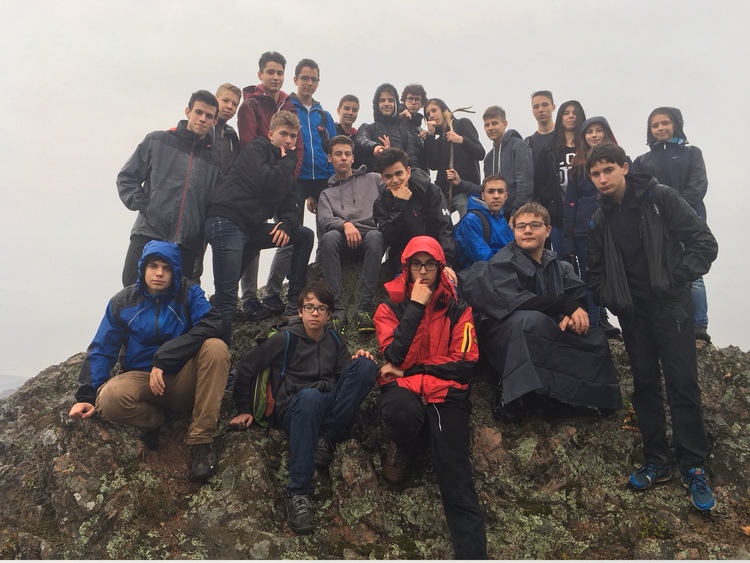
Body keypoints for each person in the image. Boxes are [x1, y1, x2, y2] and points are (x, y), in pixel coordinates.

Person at [586, 141, 718, 512]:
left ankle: (693, 464)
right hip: (633, 313)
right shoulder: (599, 218)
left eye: (608, 170)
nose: (602, 179)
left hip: (672, 307)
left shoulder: (661, 197)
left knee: (682, 382)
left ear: (624, 167)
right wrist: (612, 299)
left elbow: (704, 243)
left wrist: (677, 278)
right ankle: (656, 459)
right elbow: (594, 270)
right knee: (644, 385)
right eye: (595, 174)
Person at [69, 240, 230, 481]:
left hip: (182, 379)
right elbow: (103, 348)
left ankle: (200, 440)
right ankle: (153, 422)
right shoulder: (123, 302)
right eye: (153, 266)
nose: (159, 273)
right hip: (143, 383)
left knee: (216, 348)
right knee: (109, 399)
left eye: (166, 268)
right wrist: (86, 396)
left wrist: (164, 357)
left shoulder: (189, 293)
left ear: (175, 272)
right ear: (143, 268)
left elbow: (213, 324)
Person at [230, 281, 378, 535]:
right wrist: (243, 408)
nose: (315, 313)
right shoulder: (285, 339)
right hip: (294, 406)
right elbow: (245, 367)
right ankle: (299, 492)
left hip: (326, 405)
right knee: (310, 397)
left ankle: (326, 438)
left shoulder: (335, 340)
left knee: (367, 366)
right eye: (309, 307)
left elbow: (344, 381)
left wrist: (358, 363)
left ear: (329, 314)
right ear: (299, 311)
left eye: (321, 308)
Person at [374, 235, 487, 559]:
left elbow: (465, 363)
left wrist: (414, 369)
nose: (423, 271)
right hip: (405, 391)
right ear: (406, 267)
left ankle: (472, 555)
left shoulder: (458, 309)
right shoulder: (390, 307)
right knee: (400, 414)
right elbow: (394, 355)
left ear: (440, 268)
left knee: (455, 471)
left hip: (446, 393)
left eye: (430, 265)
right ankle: (405, 443)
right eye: (416, 264)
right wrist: (416, 306)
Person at [458, 201, 621, 420]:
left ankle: (593, 396)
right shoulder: (502, 262)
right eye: (521, 226)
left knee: (594, 336)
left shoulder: (560, 265)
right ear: (514, 231)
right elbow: (513, 302)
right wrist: (562, 305)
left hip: (548, 329)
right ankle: (510, 389)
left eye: (535, 225)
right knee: (529, 322)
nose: (527, 230)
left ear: (548, 230)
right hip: (505, 335)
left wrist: (573, 315)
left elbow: (576, 297)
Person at [205, 110, 314, 345]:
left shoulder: (285, 170)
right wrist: (290, 160)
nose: (289, 140)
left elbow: (291, 207)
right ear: (271, 134)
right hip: (227, 221)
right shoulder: (257, 148)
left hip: (250, 229)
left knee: (304, 235)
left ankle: (294, 305)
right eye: (284, 134)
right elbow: (267, 182)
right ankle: (219, 356)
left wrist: (285, 224)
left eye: (293, 136)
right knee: (226, 298)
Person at [118, 90, 222, 287]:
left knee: (178, 298)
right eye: (198, 112)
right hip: (148, 233)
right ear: (188, 112)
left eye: (209, 116)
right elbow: (127, 177)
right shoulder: (157, 141)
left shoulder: (215, 162)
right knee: (132, 289)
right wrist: (146, 205)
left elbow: (215, 204)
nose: (203, 119)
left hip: (187, 244)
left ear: (214, 121)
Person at [263, 59, 338, 316]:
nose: (309, 83)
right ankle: (273, 291)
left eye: (314, 79)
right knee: (289, 232)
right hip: (295, 177)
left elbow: (332, 147)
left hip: (322, 179)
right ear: (295, 80)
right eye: (305, 78)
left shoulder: (323, 115)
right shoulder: (287, 107)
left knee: (325, 232)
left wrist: (331, 178)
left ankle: (319, 283)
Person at [632, 107, 711, 343]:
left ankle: (699, 325)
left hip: (689, 224)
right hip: (657, 227)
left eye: (665, 123)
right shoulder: (642, 161)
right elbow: (640, 192)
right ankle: (670, 324)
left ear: (675, 124)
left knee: (694, 275)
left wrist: (676, 210)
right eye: (655, 125)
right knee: (661, 273)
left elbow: (698, 185)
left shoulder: (692, 153)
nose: (660, 128)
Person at [235, 51, 304, 320]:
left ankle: (273, 292)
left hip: (284, 179)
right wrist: (267, 174)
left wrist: (289, 176)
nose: (275, 77)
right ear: (260, 74)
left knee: (289, 230)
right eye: (270, 72)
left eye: (279, 72)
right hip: (259, 183)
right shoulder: (250, 105)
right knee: (254, 236)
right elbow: (249, 143)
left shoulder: (290, 106)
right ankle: (249, 297)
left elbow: (298, 147)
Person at [317, 135, 386, 333]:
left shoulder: (373, 179)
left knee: (376, 236)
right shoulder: (326, 194)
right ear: (330, 158)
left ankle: (364, 309)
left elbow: (392, 190)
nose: (343, 158)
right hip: (343, 243)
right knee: (329, 238)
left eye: (347, 154)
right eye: (338, 154)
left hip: (370, 242)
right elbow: (325, 220)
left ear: (353, 158)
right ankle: (337, 310)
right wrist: (345, 224)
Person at [563, 116, 623, 337]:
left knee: (618, 274)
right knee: (590, 279)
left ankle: (622, 322)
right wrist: (568, 240)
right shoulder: (577, 169)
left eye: (599, 130)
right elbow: (570, 205)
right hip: (584, 230)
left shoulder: (621, 161)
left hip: (615, 228)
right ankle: (595, 326)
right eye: (589, 131)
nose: (594, 135)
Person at [371, 147, 457, 278]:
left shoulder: (431, 192)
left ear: (408, 171)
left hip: (435, 260)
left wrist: (445, 264)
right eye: (388, 176)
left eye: (399, 173)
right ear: (382, 178)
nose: (395, 180)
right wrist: (399, 204)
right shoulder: (381, 203)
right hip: (403, 265)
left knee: (449, 287)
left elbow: (444, 228)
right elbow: (389, 238)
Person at [192, 83, 242, 282]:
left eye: (234, 104)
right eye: (225, 101)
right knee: (193, 258)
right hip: (196, 202)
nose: (229, 106)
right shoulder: (202, 129)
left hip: (219, 205)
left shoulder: (231, 136)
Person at [533, 100, 586, 253]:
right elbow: (539, 180)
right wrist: (550, 202)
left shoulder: (588, 146)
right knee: (562, 261)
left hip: (584, 211)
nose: (571, 116)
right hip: (558, 214)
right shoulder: (549, 149)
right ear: (560, 117)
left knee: (588, 260)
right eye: (566, 113)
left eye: (575, 113)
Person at [423, 98, 486, 217]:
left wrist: (461, 140)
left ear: (443, 110)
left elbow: (480, 153)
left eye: (434, 110)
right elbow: (433, 165)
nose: (431, 115)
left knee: (468, 220)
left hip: (464, 190)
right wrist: (430, 136)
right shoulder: (439, 140)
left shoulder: (462, 124)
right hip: (444, 194)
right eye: (428, 114)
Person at [482, 105, 533, 222]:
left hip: (519, 215)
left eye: (494, 123)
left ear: (505, 124)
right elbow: (487, 188)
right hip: (497, 216)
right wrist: (460, 183)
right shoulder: (488, 158)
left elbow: (525, 184)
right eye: (487, 125)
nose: (490, 128)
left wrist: (516, 213)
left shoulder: (519, 146)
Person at [355, 83, 420, 172]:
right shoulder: (367, 128)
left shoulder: (404, 132)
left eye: (390, 100)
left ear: (396, 104)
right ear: (376, 104)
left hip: (398, 179)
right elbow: (361, 140)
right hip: (373, 179)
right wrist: (376, 147)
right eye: (382, 100)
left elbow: (412, 163)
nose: (386, 104)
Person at [454, 174, 514, 270]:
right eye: (491, 191)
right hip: (479, 275)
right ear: (483, 195)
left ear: (506, 196)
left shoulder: (501, 218)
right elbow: (483, 259)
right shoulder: (471, 220)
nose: (496, 196)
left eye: (500, 191)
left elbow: (514, 249)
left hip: (504, 272)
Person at [398, 84, 429, 172]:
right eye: (410, 98)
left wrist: (428, 138)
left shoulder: (419, 129)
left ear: (422, 104)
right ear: (404, 101)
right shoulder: (396, 120)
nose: (413, 102)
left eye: (417, 99)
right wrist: (398, 117)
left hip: (419, 173)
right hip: (401, 172)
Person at [524, 90, 556, 167]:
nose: (540, 110)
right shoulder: (528, 143)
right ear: (532, 111)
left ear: (553, 107)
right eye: (536, 107)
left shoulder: (566, 137)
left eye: (545, 105)